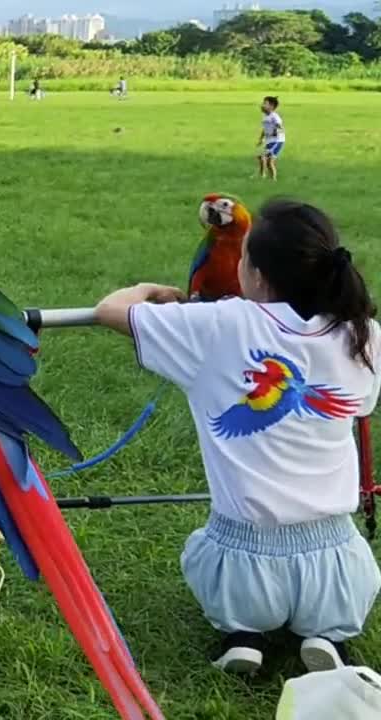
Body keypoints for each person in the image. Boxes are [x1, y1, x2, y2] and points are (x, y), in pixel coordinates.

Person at [94, 199, 381, 676]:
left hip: (243, 565)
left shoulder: (220, 325)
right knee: (328, 597)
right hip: (338, 569)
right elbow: (360, 403)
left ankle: (244, 635)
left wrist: (147, 289)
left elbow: (110, 310)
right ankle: (326, 635)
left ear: (259, 277)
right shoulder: (363, 334)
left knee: (209, 551)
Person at [257, 95, 285, 181]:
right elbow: (264, 129)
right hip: (269, 141)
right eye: (263, 103)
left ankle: (271, 178)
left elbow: (280, 127)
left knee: (267, 159)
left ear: (272, 106)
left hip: (277, 141)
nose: (263, 105)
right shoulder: (265, 116)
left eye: (265, 103)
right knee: (264, 159)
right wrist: (261, 138)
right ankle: (264, 176)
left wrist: (275, 132)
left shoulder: (274, 116)